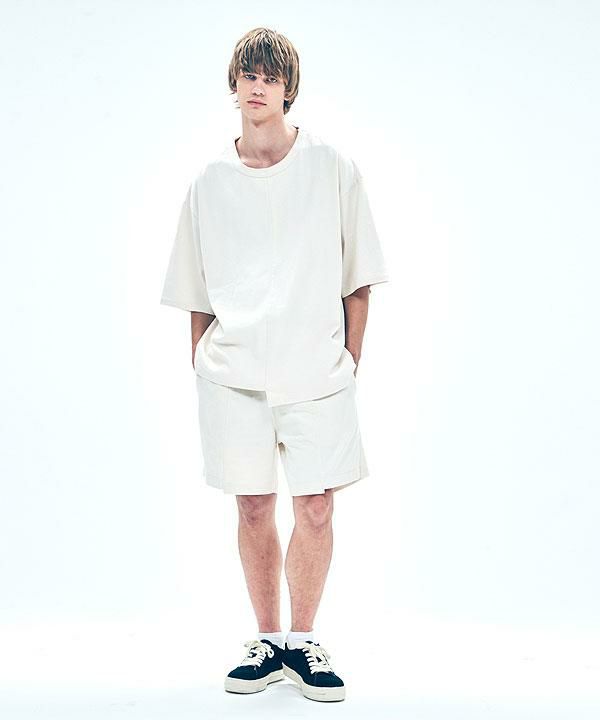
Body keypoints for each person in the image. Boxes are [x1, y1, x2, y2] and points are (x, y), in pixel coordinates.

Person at [160, 27, 389, 703]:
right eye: (249, 75)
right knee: (254, 505)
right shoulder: (210, 183)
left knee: (316, 507)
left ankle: (303, 640)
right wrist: (202, 360)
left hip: (317, 370)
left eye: (270, 76)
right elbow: (195, 289)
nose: (258, 87)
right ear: (234, 85)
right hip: (233, 375)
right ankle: (267, 641)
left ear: (288, 89)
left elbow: (359, 274)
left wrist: (348, 358)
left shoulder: (331, 167)